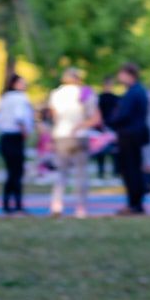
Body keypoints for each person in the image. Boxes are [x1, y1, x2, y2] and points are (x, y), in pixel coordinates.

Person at [46, 68, 99, 219]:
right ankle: (81, 207)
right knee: (81, 173)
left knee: (61, 172)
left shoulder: (56, 94)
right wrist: (80, 126)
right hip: (80, 135)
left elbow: (54, 117)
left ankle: (57, 204)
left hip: (61, 135)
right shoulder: (86, 93)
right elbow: (94, 118)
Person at [108, 62, 150, 215]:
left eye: (121, 74)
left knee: (130, 169)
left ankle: (134, 204)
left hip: (129, 135)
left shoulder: (134, 92)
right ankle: (135, 203)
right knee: (134, 169)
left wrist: (111, 121)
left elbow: (123, 115)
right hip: (134, 134)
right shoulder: (138, 91)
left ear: (128, 74)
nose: (119, 78)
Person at [0, 73, 35, 215]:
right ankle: (17, 205)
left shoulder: (5, 98)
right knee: (16, 173)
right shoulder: (20, 98)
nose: (24, 85)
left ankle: (7, 204)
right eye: (22, 83)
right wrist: (24, 132)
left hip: (5, 138)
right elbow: (20, 117)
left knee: (11, 173)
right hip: (15, 138)